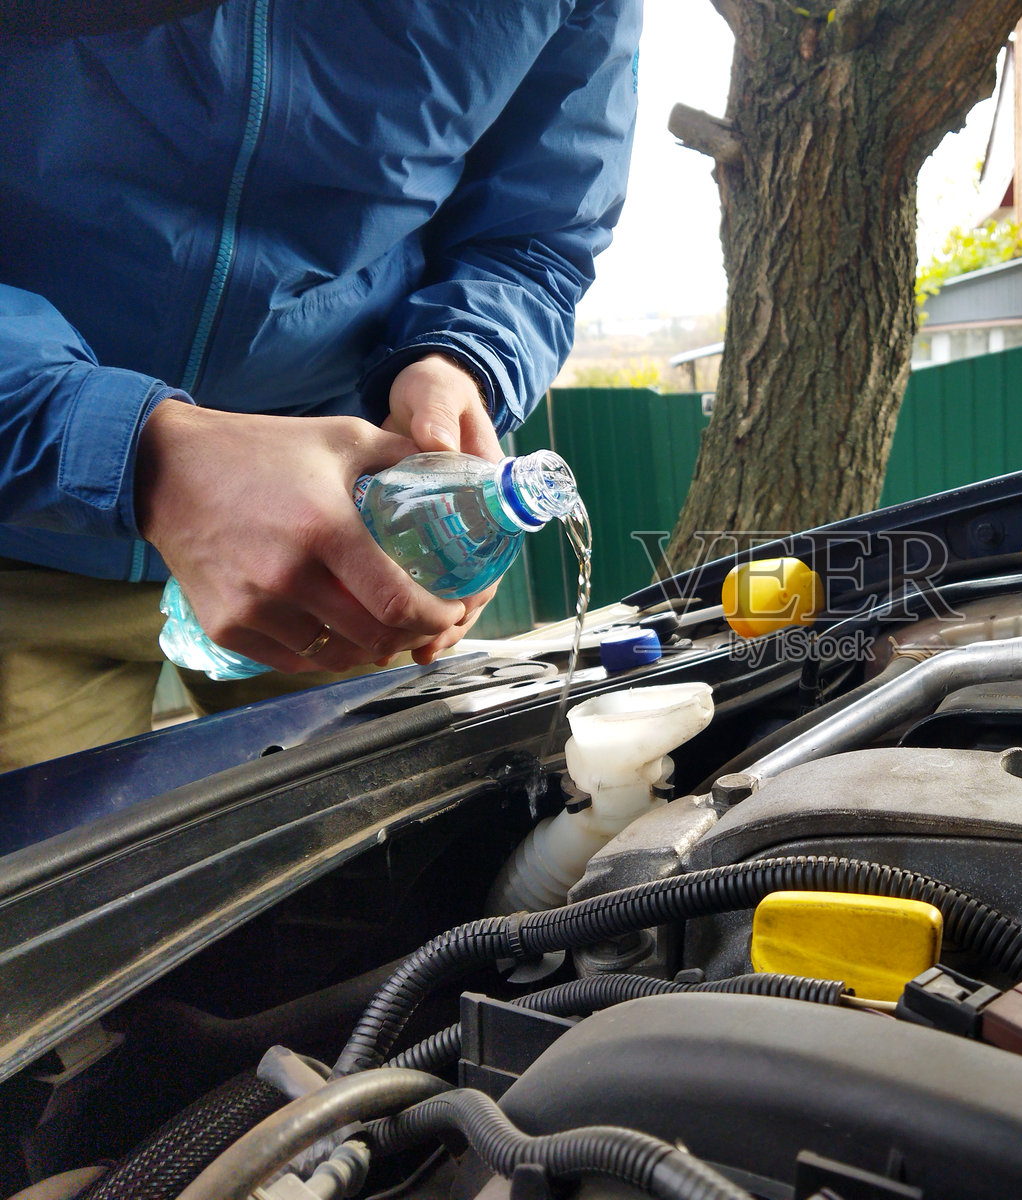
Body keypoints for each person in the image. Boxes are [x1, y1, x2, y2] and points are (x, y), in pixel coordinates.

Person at [0, 0, 642, 769]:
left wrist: (461, 358)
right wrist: (139, 454)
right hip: (22, 544)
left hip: (339, 549)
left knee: (385, 867)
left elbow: (538, 234)